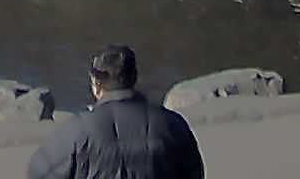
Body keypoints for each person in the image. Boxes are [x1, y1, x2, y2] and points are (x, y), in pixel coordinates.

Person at [26, 44, 203, 179]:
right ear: (134, 77)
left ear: (96, 83)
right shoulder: (173, 125)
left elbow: (37, 173)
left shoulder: (76, 131)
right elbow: (195, 173)